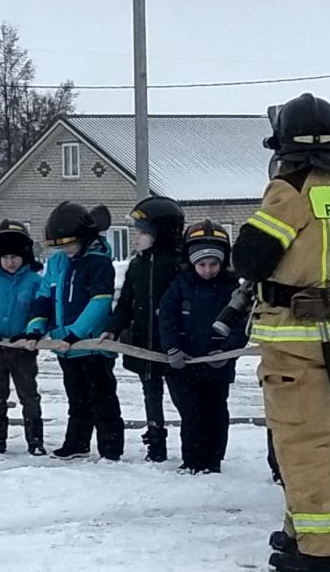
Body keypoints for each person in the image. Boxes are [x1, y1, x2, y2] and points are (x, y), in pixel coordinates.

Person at [229, 94, 330, 572]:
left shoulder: (290, 188)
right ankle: (304, 530)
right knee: (323, 439)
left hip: (296, 335)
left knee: (300, 443)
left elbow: (250, 258)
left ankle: (326, 549)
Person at [39, 201, 124, 460]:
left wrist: (75, 333)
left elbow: (99, 302)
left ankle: (110, 449)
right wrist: (37, 327)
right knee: (77, 400)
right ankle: (76, 443)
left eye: (68, 245)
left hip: (91, 344)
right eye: (59, 246)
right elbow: (45, 296)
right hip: (65, 347)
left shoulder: (98, 264)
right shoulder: (57, 263)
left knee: (102, 398)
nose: (64, 250)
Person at [158, 220, 239, 472]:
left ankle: (213, 460)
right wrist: (172, 347)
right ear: (192, 263)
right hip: (184, 364)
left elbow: (242, 323)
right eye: (202, 264)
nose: (208, 270)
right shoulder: (180, 284)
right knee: (191, 414)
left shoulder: (231, 288)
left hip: (217, 364)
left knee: (215, 412)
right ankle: (192, 460)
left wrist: (227, 351)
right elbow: (167, 318)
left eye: (213, 264)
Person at [110, 193, 186, 462]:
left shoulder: (179, 264)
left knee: (182, 395)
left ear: (161, 233)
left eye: (142, 232)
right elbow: (126, 302)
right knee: (150, 392)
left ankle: (192, 439)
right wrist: (114, 328)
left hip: (173, 342)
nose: (136, 238)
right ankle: (155, 439)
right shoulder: (136, 265)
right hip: (143, 340)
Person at [0, 220, 48, 456]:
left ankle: (35, 440)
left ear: (24, 255)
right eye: (5, 258)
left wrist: (34, 332)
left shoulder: (35, 282)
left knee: (29, 396)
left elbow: (42, 310)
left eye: (14, 257)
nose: (10, 262)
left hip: (23, 348)